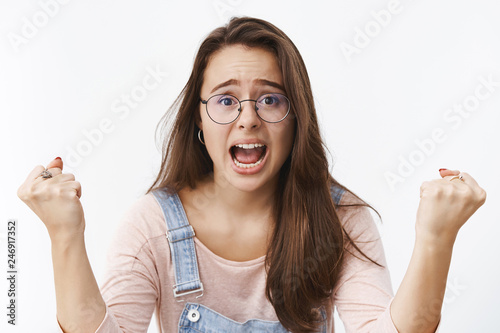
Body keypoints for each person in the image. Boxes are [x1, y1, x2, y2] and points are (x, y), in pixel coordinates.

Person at [17, 16, 486, 333]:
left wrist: (435, 239)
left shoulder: (338, 217)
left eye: (270, 98)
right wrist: (65, 234)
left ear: (296, 116)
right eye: (225, 100)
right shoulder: (150, 225)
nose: (247, 119)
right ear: (198, 122)